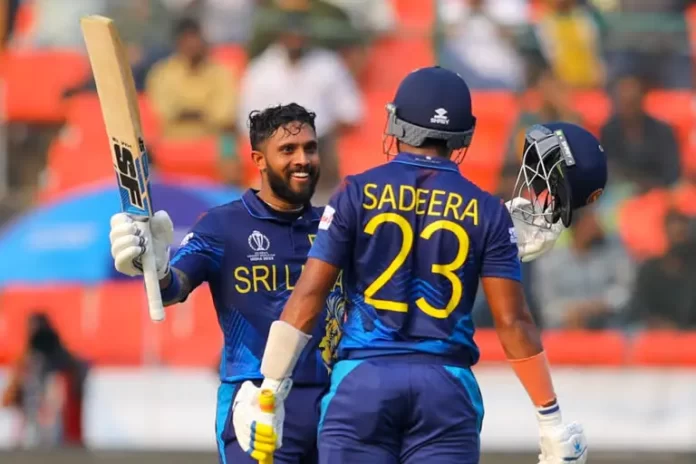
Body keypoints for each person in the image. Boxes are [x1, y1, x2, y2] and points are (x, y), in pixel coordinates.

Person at [233, 66, 607, 464]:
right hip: (445, 389)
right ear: (464, 136)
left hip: (363, 382)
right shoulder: (488, 211)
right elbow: (513, 322)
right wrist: (550, 420)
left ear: (396, 123)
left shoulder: (355, 192)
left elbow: (309, 295)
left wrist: (270, 388)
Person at [108, 103, 345, 464]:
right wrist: (154, 266)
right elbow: (173, 288)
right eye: (288, 150)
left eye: (309, 148)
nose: (303, 160)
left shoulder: (335, 226)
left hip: (334, 402)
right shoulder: (222, 226)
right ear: (258, 159)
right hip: (256, 399)